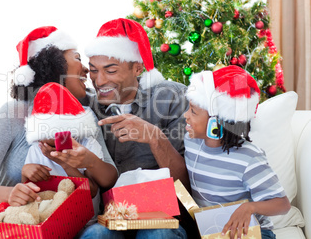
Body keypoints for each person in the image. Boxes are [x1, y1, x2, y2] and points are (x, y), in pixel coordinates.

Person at [0, 26, 117, 213]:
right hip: (22, 222)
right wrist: (11, 193)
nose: (86, 68)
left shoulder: (85, 115)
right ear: (54, 66)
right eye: (77, 58)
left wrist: (87, 161)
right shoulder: (12, 114)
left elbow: (107, 180)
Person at [77, 18, 189, 238]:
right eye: (93, 70)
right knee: (96, 235)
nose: (99, 81)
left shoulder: (172, 97)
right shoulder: (86, 105)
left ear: (137, 67)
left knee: (157, 234)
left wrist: (154, 138)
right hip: (108, 220)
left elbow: (184, 185)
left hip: (162, 217)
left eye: (110, 71)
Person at [183, 65, 291, 239]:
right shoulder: (191, 142)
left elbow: (283, 205)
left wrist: (250, 208)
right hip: (213, 230)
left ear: (215, 123)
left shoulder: (249, 158)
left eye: (193, 112)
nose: (185, 115)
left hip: (253, 232)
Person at [22, 82, 115, 226]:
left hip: (86, 221)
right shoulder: (36, 150)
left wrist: (65, 163)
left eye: (61, 136)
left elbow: (91, 190)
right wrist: (25, 172)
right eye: (46, 136)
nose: (56, 143)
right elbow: (28, 193)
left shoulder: (88, 145)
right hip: (50, 222)